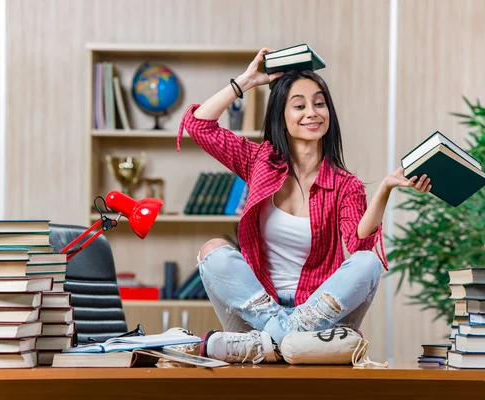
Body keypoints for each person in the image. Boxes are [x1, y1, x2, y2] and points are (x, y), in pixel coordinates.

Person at [177, 48, 431, 364]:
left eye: (319, 103)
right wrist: (246, 81)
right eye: (299, 106)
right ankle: (285, 337)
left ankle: (270, 342)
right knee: (213, 250)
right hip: (260, 309)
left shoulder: (344, 184)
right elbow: (199, 126)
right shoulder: (260, 161)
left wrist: (384, 190)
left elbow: (359, 243)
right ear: (281, 117)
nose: (312, 112)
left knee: (368, 262)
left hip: (318, 314)